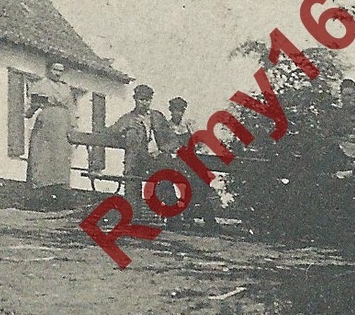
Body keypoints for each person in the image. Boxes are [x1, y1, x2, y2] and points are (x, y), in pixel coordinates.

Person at [69, 84, 174, 220]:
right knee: (131, 179)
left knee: (164, 179)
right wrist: (122, 130)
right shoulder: (128, 119)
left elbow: (173, 140)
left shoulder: (157, 117)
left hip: (157, 160)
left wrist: (161, 150)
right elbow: (109, 133)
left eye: (147, 99)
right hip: (136, 161)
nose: (144, 103)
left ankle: (172, 216)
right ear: (135, 99)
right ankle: (133, 218)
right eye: (141, 99)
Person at [24, 60, 75, 210]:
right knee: (43, 160)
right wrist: (33, 107)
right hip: (46, 125)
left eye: (61, 70)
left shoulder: (66, 88)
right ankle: (39, 201)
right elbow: (29, 110)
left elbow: (71, 109)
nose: (58, 73)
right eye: (55, 69)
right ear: (48, 69)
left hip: (62, 126)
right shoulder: (40, 85)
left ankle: (59, 201)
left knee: (60, 161)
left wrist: (73, 127)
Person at [166, 96, 218, 231]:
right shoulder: (167, 126)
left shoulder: (189, 124)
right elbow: (163, 144)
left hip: (191, 161)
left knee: (200, 186)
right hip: (175, 162)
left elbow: (201, 142)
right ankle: (174, 219)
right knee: (167, 184)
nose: (178, 113)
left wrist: (200, 153)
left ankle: (209, 221)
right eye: (175, 110)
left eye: (181, 110)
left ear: (184, 111)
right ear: (171, 111)